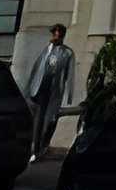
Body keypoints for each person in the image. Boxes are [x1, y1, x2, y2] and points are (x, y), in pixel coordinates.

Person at [23, 24, 76, 159]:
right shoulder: (46, 50)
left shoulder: (67, 53)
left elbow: (70, 74)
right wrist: (28, 89)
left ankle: (43, 145)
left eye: (59, 35)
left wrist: (69, 95)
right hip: (40, 90)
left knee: (50, 121)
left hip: (55, 91)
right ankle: (35, 149)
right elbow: (36, 70)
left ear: (62, 36)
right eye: (54, 34)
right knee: (37, 121)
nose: (56, 37)